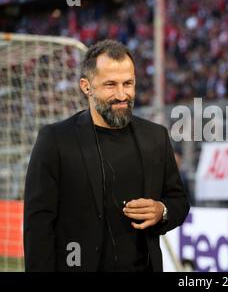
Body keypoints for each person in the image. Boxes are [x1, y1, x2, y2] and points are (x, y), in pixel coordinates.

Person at [24, 40, 190, 272]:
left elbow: (179, 201)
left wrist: (161, 210)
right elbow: (38, 225)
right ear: (86, 86)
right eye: (110, 84)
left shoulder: (156, 137)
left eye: (128, 83)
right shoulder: (54, 139)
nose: (122, 94)